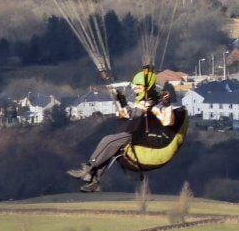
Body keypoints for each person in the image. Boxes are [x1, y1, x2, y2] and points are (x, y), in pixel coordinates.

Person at [68, 65, 175, 193]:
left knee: (108, 140)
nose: (135, 89)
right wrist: (121, 101)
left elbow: (168, 121)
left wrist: (167, 105)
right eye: (135, 86)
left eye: (139, 87)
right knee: (109, 150)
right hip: (132, 133)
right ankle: (94, 181)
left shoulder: (157, 104)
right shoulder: (141, 103)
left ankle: (88, 168)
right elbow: (129, 115)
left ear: (147, 88)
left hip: (141, 137)